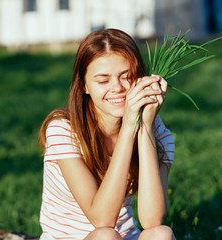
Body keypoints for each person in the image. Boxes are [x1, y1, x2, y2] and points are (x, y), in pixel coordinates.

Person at [38, 28, 176, 240]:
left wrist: (144, 129)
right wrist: (129, 127)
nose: (118, 88)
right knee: (106, 236)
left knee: (161, 234)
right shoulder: (63, 130)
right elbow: (102, 220)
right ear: (84, 85)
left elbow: (152, 219)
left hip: (125, 236)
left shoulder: (156, 131)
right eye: (103, 81)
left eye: (127, 76)